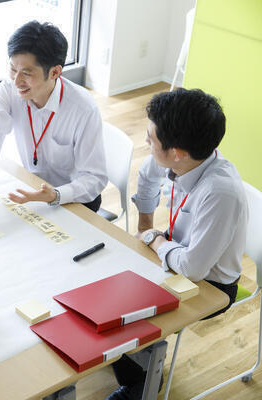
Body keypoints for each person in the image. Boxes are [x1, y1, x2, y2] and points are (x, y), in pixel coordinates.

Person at [106, 88, 248, 400]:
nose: (146, 143)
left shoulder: (220, 193)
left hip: (210, 284)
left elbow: (194, 268)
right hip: (177, 251)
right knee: (105, 277)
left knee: (122, 304)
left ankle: (141, 383)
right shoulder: (185, 157)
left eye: (151, 138)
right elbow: (147, 174)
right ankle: (128, 355)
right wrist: (145, 226)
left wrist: (155, 241)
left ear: (177, 152)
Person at [0, 20, 108, 233]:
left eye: (27, 73)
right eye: (13, 69)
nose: (16, 81)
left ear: (55, 73)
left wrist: (56, 195)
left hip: (74, 200)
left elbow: (94, 179)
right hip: (32, 189)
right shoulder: (9, 89)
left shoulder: (83, 109)